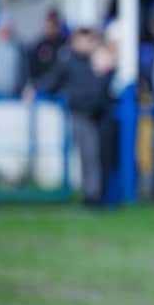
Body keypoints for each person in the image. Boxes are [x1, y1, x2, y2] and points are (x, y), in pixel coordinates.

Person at [38, 28, 113, 207]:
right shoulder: (68, 62)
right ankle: (91, 195)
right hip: (81, 113)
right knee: (89, 155)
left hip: (98, 114)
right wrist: (36, 89)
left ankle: (95, 194)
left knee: (95, 156)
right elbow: (52, 81)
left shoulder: (96, 59)